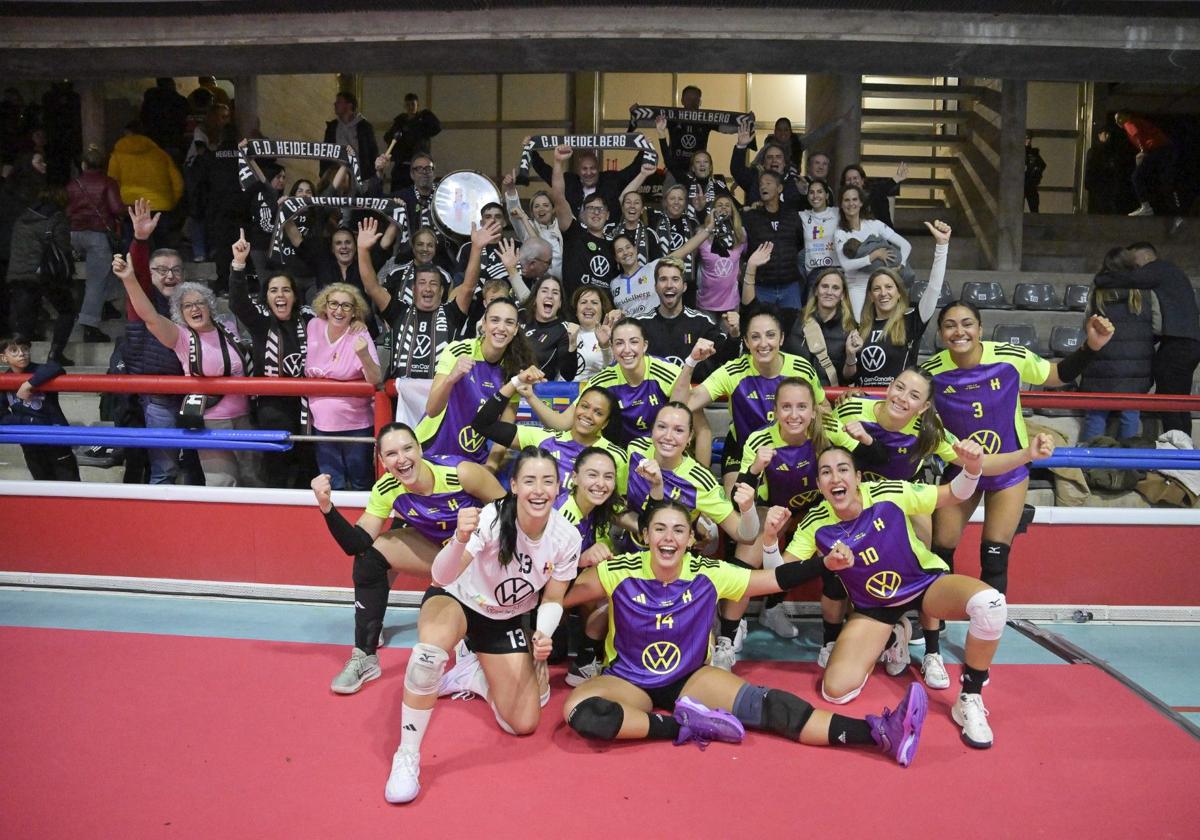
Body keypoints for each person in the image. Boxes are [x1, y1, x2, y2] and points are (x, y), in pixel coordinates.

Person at [560, 499, 929, 767]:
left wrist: (824, 564)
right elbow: (561, 596)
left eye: (678, 530)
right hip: (628, 680)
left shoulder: (710, 571)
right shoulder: (619, 570)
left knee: (772, 707)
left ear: (690, 539)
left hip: (690, 678)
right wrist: (574, 562)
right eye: (659, 529)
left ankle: (880, 731)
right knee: (581, 712)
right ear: (645, 535)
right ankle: (684, 726)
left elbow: (772, 579)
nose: (668, 538)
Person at [765, 445, 1008, 749]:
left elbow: (952, 494)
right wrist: (771, 540)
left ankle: (969, 697)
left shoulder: (887, 492)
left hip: (924, 585)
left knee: (991, 605)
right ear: (819, 485)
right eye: (825, 472)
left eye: (842, 469)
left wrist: (972, 468)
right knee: (835, 692)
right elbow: (777, 576)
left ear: (858, 476)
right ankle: (893, 638)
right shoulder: (815, 523)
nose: (834, 477)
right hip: (872, 607)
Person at [382, 447, 580, 804]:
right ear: (515, 485)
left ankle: (473, 674)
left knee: (522, 723)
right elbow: (441, 577)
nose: (539, 490)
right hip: (458, 598)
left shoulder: (567, 537)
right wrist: (459, 539)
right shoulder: (492, 517)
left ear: (559, 487)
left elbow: (553, 598)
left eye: (548, 481)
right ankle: (407, 756)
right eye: (530, 480)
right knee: (427, 656)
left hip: (503, 618)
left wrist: (543, 632)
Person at [833, 367, 1058, 676]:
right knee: (852, 570)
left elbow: (978, 463)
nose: (901, 398)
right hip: (859, 506)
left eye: (914, 395)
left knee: (928, 561)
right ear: (889, 386)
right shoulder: (853, 408)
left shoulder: (929, 431)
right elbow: (821, 434)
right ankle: (884, 635)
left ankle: (932, 651)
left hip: (905, 501)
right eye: (899, 387)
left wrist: (1026, 454)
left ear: (924, 406)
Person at [922, 302, 1114, 595]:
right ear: (940, 333)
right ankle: (938, 624)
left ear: (980, 329)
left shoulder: (1008, 356)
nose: (959, 331)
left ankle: (988, 628)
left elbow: (1057, 375)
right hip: (962, 470)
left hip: (1009, 470)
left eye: (967, 323)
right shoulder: (930, 371)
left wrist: (1091, 346)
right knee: (941, 550)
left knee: (994, 555)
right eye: (950, 325)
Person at [313, 422, 505, 696]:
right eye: (391, 454)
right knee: (369, 555)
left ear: (420, 449)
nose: (401, 459)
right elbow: (356, 543)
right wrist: (326, 507)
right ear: (381, 460)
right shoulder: (387, 488)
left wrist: (483, 548)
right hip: (442, 556)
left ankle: (478, 636)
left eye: (407, 449)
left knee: (445, 612)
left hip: (483, 557)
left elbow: (509, 510)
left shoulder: (460, 472)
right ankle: (364, 656)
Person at [114, 252, 260, 487]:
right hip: (213, 422)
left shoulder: (228, 327)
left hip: (245, 417)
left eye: (199, 303)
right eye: (187, 306)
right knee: (222, 484)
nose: (194, 309)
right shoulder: (181, 336)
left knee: (255, 481)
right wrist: (129, 279)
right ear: (179, 313)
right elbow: (149, 316)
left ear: (210, 306)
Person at [737, 378, 855, 640]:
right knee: (748, 552)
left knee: (837, 546)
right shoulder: (760, 440)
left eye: (801, 407)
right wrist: (756, 468)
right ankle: (730, 628)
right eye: (786, 407)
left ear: (814, 410)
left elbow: (874, 459)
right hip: (775, 509)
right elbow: (741, 495)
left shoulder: (829, 430)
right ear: (775, 411)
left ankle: (777, 609)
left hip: (817, 511)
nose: (793, 415)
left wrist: (865, 437)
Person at [120, 199, 201, 485]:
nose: (170, 276)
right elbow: (138, 275)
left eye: (177, 270)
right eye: (162, 270)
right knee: (164, 471)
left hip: (192, 397)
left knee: (194, 471)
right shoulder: (141, 301)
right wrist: (140, 240)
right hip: (157, 399)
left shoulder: (192, 304)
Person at [228, 229, 316, 488]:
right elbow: (237, 302)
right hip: (271, 406)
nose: (280, 295)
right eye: (274, 290)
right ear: (266, 297)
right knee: (276, 465)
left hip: (307, 405)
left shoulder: (310, 321)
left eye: (286, 290)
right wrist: (239, 264)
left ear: (295, 295)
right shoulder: (260, 323)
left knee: (308, 463)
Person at [471, 365, 628, 499]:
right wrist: (515, 382)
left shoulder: (616, 457)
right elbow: (484, 424)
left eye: (598, 413)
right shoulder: (544, 439)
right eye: (584, 406)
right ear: (575, 407)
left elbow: (618, 507)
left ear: (606, 422)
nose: (588, 415)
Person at [1093, 242, 1200, 436]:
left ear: (1145, 257)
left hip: (1179, 344)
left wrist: (1101, 278)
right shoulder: (1170, 271)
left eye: (1133, 259)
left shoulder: (1157, 269)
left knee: (1171, 403)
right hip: (1186, 343)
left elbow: (1126, 279)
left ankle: (1177, 451)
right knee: (1179, 402)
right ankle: (1183, 450)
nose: (1132, 265)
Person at [526, 317, 680, 448]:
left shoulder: (667, 371)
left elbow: (687, 421)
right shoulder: (604, 380)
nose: (627, 350)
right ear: (612, 347)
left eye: (633, 342)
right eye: (619, 343)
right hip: (622, 456)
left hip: (663, 450)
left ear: (644, 345)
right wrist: (530, 396)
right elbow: (562, 423)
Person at [416, 296, 533, 466]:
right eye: (494, 320)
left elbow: (504, 432)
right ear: (484, 324)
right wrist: (451, 379)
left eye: (509, 322)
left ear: (515, 329)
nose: (501, 328)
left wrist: (491, 468)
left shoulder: (513, 371)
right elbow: (432, 410)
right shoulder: (459, 350)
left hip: (472, 460)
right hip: (432, 450)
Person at [357, 217, 467, 380]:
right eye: (420, 244)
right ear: (413, 246)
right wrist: (363, 250)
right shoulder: (396, 272)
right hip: (397, 333)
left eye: (430, 245)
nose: (425, 249)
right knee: (383, 383)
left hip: (434, 335)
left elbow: (449, 306)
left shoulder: (444, 276)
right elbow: (374, 291)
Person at [852, 221, 951, 388]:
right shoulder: (860, 327)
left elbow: (933, 289)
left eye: (889, 287)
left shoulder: (911, 321)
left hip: (897, 404)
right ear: (870, 295)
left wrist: (942, 246)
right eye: (877, 288)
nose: (883, 293)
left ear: (899, 293)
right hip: (865, 404)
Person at [305, 283, 382, 490]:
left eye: (346, 306)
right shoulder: (314, 325)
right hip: (320, 424)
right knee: (332, 484)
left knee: (361, 483)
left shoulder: (359, 335)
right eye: (334, 304)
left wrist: (364, 354)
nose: (339, 311)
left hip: (355, 426)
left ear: (354, 311)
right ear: (325, 305)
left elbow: (375, 379)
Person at [1079, 247, 1157, 441]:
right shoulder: (1145, 290)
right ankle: (1126, 468)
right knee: (1130, 414)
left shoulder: (1098, 290)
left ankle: (1089, 467)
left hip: (1101, 362)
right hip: (1135, 366)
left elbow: (1086, 323)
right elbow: (1157, 325)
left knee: (1096, 415)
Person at [6, 180, 75, 365]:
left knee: (25, 322)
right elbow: (63, 247)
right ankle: (55, 354)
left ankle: (18, 362)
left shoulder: (23, 217)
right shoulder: (56, 218)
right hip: (46, 275)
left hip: (19, 275)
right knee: (67, 310)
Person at [67, 144, 125, 344]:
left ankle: (105, 306)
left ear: (83, 164)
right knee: (96, 281)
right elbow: (117, 208)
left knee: (98, 277)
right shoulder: (108, 182)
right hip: (97, 235)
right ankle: (89, 325)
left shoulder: (73, 184)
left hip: (73, 234)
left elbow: (66, 210)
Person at [0, 334, 80, 480]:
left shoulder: (41, 370)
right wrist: (27, 421)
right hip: (30, 441)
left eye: (25, 349)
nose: (21, 353)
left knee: (70, 488)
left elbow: (56, 367)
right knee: (42, 487)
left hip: (55, 437)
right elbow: (2, 417)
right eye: (14, 350)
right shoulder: (3, 380)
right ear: (4, 358)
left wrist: (28, 385)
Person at [551, 147, 619, 300]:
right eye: (590, 208)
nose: (596, 212)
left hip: (605, 315)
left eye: (600, 209)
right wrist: (558, 162)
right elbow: (558, 197)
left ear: (608, 215)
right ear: (581, 214)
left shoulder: (615, 245)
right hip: (573, 310)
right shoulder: (573, 233)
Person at [834, 185, 911, 319]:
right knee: (859, 324)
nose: (851, 203)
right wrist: (874, 255)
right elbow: (846, 265)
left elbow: (906, 245)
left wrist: (900, 266)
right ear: (841, 204)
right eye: (846, 200)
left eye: (854, 199)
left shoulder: (875, 224)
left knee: (887, 322)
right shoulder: (840, 233)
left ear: (861, 202)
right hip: (857, 284)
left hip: (881, 283)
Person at [741, 170, 806, 323]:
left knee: (794, 327)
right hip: (762, 286)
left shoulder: (792, 215)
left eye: (768, 183)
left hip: (790, 285)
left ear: (779, 188)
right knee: (762, 325)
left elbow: (799, 243)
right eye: (761, 184)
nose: (763, 187)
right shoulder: (751, 217)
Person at [609, 227, 715, 320]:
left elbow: (685, 249)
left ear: (636, 250)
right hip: (630, 336)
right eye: (620, 250)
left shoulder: (654, 268)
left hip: (655, 330)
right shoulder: (614, 284)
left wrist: (708, 229)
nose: (626, 252)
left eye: (628, 247)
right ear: (616, 258)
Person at [528, 136, 647, 218]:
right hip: (574, 239)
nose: (589, 172)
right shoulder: (569, 181)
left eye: (593, 168)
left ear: (599, 168)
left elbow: (633, 169)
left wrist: (645, 147)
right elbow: (544, 170)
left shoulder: (611, 180)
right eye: (584, 169)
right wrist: (531, 149)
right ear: (578, 170)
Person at [107, 121, 183, 249]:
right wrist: (171, 201)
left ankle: (135, 268)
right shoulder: (161, 154)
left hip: (131, 205)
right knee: (162, 246)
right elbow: (178, 182)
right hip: (160, 204)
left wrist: (119, 205)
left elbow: (112, 183)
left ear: (127, 134)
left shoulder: (117, 156)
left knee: (134, 245)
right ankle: (161, 268)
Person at [783, 266, 858, 387]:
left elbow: (849, 379)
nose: (829, 292)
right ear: (816, 290)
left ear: (842, 294)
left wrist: (850, 355)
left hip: (829, 398)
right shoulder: (793, 319)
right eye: (824, 286)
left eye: (835, 288)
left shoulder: (851, 329)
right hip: (795, 394)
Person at [1114, 111, 1180, 217]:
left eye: (1120, 118)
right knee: (1165, 181)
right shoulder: (1139, 122)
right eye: (1116, 120)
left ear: (1127, 116)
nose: (1118, 122)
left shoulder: (1129, 123)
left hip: (1159, 150)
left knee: (1136, 176)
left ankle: (1146, 207)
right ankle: (1176, 214)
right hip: (1167, 150)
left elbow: (1137, 134)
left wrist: (1142, 151)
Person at [694, 192, 745, 320]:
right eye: (720, 205)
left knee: (730, 339)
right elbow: (692, 260)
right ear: (712, 211)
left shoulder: (741, 234)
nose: (723, 208)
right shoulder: (702, 233)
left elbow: (744, 258)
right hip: (706, 303)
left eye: (728, 205)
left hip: (731, 304)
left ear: (733, 211)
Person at [503, 175, 563, 281]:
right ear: (532, 212)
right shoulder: (527, 226)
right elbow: (515, 210)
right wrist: (511, 190)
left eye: (545, 205)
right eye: (536, 206)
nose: (541, 209)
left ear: (553, 209)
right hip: (538, 284)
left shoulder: (561, 227)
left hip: (563, 285)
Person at [519, 274, 578, 380]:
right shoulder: (520, 316)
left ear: (560, 303)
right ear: (535, 298)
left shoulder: (563, 330)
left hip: (538, 390)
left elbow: (568, 375)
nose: (549, 296)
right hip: (508, 384)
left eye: (555, 292)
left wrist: (573, 344)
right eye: (544, 291)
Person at [383, 93, 441, 191]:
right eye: (408, 105)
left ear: (417, 105)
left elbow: (436, 128)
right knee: (398, 191)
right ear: (405, 106)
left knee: (418, 191)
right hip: (402, 163)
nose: (410, 107)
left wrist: (426, 115)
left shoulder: (423, 120)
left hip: (418, 161)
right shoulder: (400, 121)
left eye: (412, 104)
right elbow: (389, 137)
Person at [322, 91, 378, 179]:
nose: (335, 104)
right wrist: (324, 174)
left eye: (339, 102)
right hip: (336, 177)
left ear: (349, 105)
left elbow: (372, 152)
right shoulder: (332, 127)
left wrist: (371, 175)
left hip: (359, 177)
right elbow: (325, 152)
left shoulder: (364, 127)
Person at [840, 163, 906, 230]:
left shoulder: (876, 193)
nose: (852, 181)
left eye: (855, 178)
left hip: (882, 235)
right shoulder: (843, 201)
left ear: (862, 181)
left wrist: (896, 178)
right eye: (848, 179)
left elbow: (884, 188)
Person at [570, 286, 615, 381]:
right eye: (583, 302)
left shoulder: (611, 335)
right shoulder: (565, 331)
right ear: (576, 310)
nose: (588, 307)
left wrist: (605, 346)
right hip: (558, 391)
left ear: (602, 309)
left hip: (589, 392)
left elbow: (612, 373)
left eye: (594, 303)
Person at [799, 178, 838, 283]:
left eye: (819, 192)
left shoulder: (838, 213)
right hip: (813, 273)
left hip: (836, 270)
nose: (815, 196)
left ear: (827, 195)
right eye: (811, 192)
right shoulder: (802, 216)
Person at [1023, 132, 1047, 214]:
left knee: (1034, 208)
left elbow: (1042, 165)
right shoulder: (1019, 152)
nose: (1028, 141)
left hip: (1030, 184)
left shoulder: (1033, 153)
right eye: (1026, 138)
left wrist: (1036, 172)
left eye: (1029, 139)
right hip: (1021, 184)